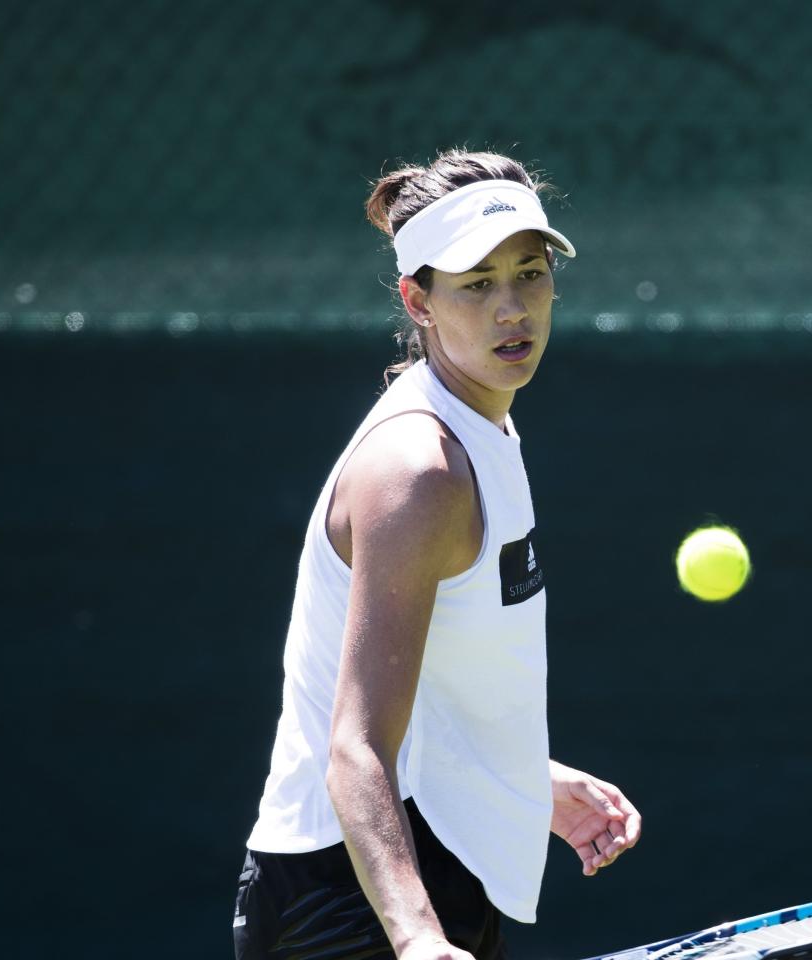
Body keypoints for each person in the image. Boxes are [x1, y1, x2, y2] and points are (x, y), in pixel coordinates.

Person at [233, 150, 643, 960]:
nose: (512, 309)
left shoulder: (483, 425)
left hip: (426, 872)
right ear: (418, 301)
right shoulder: (419, 472)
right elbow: (355, 746)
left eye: (529, 273)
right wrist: (417, 938)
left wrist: (526, 779)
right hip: (348, 903)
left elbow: (429, 680)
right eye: (477, 284)